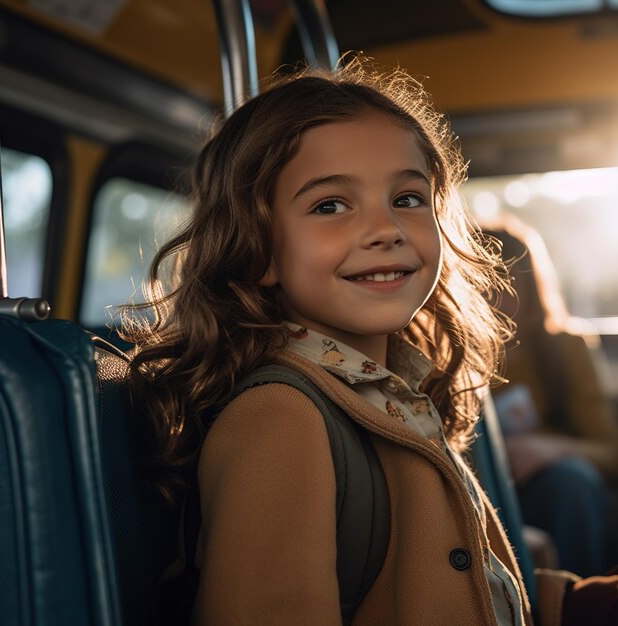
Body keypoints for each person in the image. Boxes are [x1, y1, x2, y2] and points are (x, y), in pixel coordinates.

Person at [121, 58, 618, 625]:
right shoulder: (280, 418)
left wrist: (575, 603)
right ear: (257, 248)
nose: (385, 228)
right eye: (330, 205)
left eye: (407, 198)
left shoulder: (396, 390)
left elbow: (438, 585)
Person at [484, 217, 618, 578]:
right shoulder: (446, 357)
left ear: (529, 283)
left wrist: (547, 450)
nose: (494, 294)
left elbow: (609, 451)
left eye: (506, 280)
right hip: (486, 491)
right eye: (481, 281)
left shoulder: (566, 347)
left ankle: (579, 601)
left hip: (557, 490)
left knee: (570, 480)